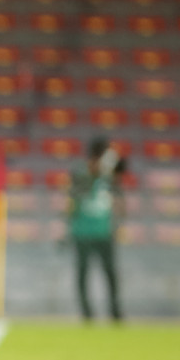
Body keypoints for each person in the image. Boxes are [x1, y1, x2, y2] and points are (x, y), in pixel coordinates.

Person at [68, 138, 124, 323]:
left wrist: (118, 224)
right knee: (83, 273)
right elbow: (75, 196)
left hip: (104, 232)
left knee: (110, 273)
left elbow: (118, 198)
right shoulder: (80, 173)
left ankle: (115, 311)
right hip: (83, 232)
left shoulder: (110, 176)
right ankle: (86, 312)